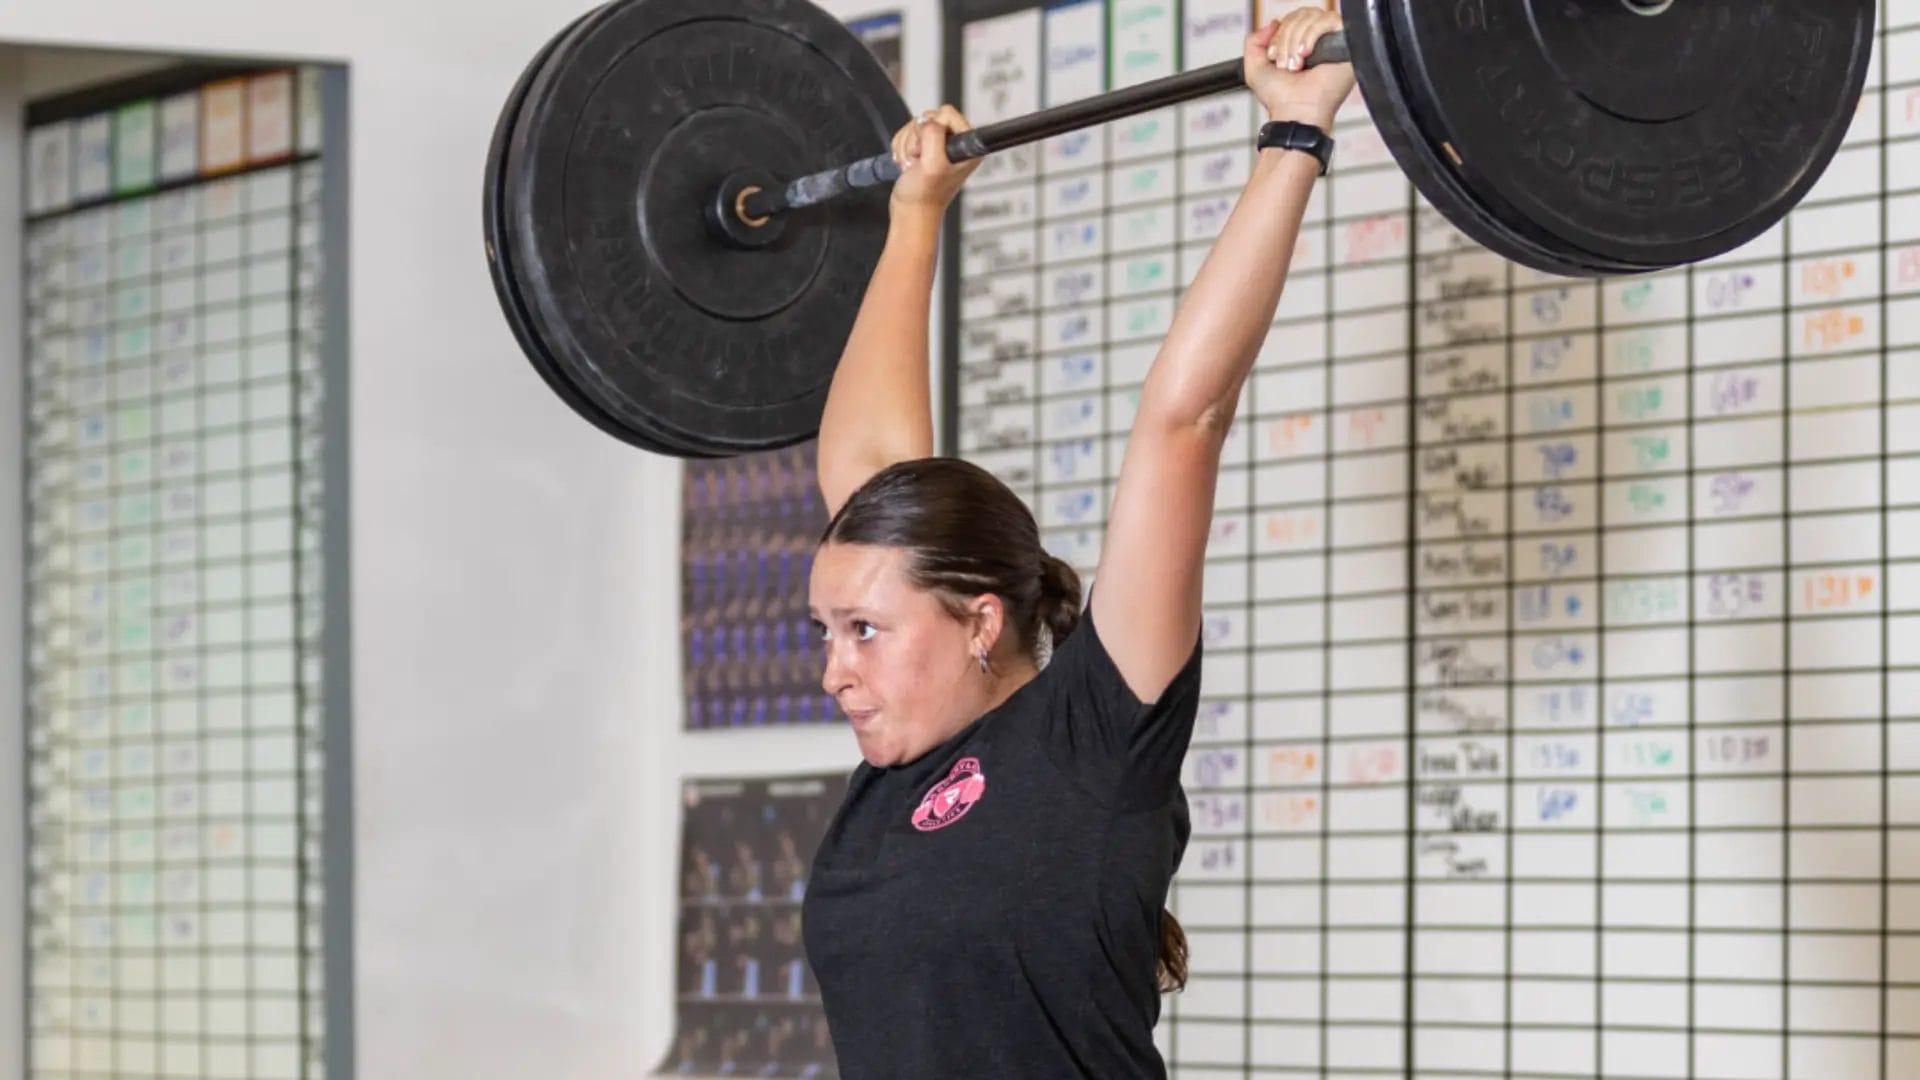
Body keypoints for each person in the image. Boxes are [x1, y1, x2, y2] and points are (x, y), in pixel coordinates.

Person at [800, 8, 1353, 1078]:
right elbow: (870, 476)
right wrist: (915, 214)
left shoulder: (1091, 737)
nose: (835, 671)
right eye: (826, 631)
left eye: (863, 631)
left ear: (980, 622)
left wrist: (1295, 131)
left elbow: (1183, 422)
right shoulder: (897, 769)